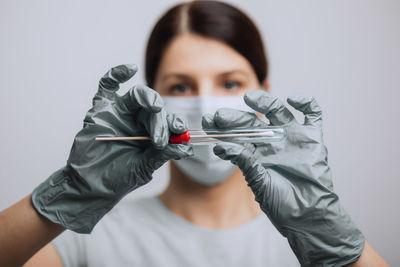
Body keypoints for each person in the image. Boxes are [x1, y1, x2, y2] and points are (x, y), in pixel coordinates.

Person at [0, 1, 389, 266]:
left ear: (263, 92)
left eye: (231, 83)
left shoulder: (310, 240)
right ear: (149, 96)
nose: (205, 106)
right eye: (181, 87)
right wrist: (65, 195)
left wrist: (340, 254)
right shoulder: (81, 238)